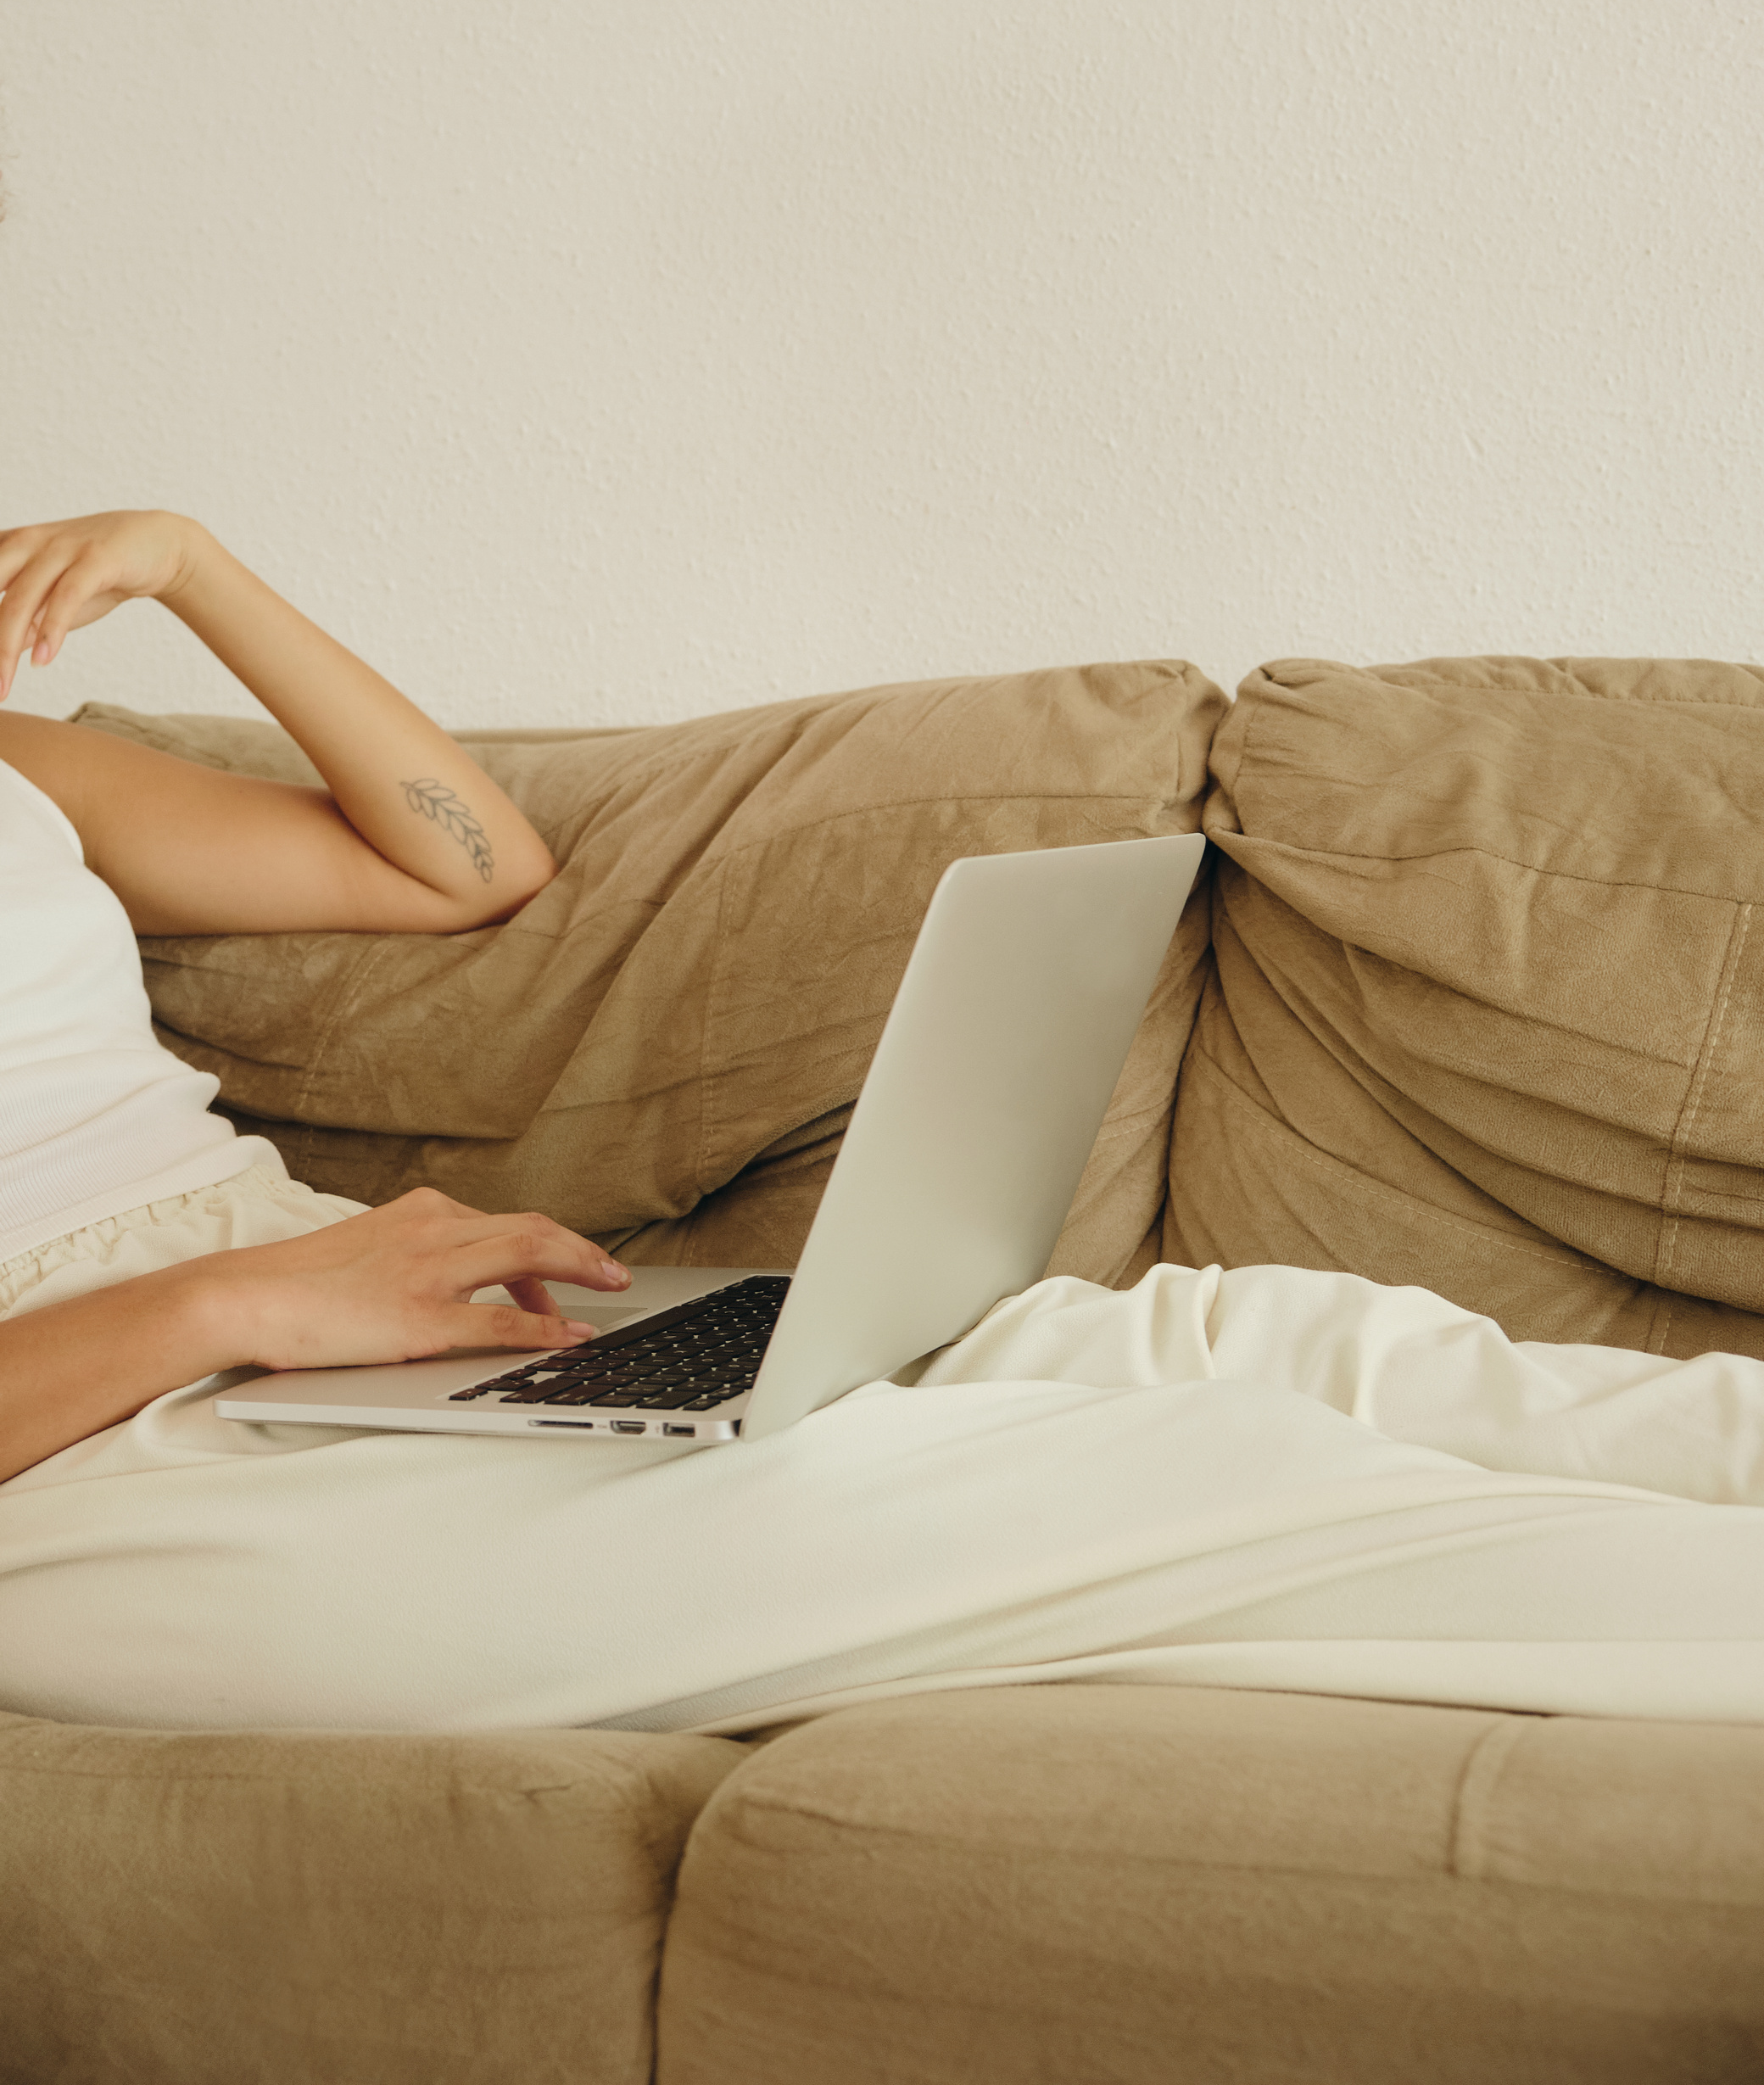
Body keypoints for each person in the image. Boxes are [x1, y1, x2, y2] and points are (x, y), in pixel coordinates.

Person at [3, 509, 1764, 1741]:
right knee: (1158, 1494)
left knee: (1211, 1334)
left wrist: (191, 568)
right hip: (79, 1468)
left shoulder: (20, 763)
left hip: (304, 1299)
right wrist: (227, 1312)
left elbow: (465, 864)